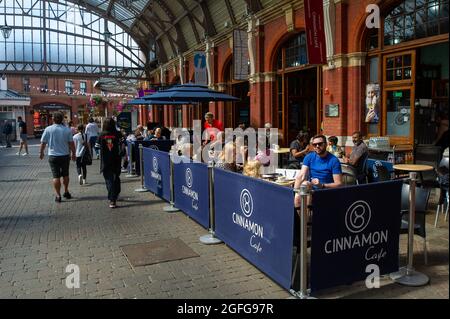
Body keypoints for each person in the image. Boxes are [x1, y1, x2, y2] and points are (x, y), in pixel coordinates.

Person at [294, 134, 342, 206]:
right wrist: (296, 193)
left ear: (325, 144)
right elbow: (301, 175)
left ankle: (308, 215)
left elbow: (339, 184)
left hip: (326, 191)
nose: (317, 146)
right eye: (314, 144)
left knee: (305, 190)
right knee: (303, 186)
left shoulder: (334, 160)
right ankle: (303, 216)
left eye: (320, 144)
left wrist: (322, 185)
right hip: (311, 189)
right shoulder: (309, 157)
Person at [39, 112, 76, 202]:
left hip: (53, 156)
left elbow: (43, 142)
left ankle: (58, 195)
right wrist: (73, 153)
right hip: (64, 155)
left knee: (56, 176)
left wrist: (41, 152)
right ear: (62, 119)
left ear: (53, 119)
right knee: (65, 175)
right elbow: (71, 143)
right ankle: (66, 191)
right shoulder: (67, 130)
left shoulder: (48, 129)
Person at [98, 117, 123, 208]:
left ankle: (112, 200)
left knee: (109, 179)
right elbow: (123, 143)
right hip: (116, 159)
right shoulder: (118, 134)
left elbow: (97, 146)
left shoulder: (101, 135)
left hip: (106, 160)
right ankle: (116, 194)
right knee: (116, 177)